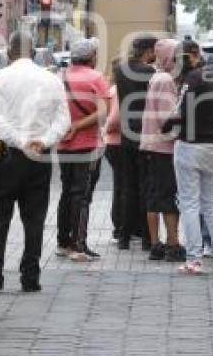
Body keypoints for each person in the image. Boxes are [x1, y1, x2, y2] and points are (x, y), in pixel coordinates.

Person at [0, 31, 71, 292]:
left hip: (8, 155)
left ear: (9, 53)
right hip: (39, 157)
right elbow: (63, 121)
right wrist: (43, 141)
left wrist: (20, 140)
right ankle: (30, 276)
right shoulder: (51, 79)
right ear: (33, 52)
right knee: (35, 218)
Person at [164, 39, 213, 274]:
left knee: (190, 203)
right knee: (210, 202)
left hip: (190, 146)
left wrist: (166, 124)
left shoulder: (191, 79)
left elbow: (181, 111)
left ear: (192, 55)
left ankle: (194, 258)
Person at [56, 38, 109, 262]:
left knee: (67, 191)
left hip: (63, 143)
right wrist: (78, 125)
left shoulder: (60, 77)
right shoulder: (96, 78)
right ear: (91, 57)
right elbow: (103, 113)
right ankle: (79, 244)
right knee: (82, 195)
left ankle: (63, 242)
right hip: (87, 144)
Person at [140, 38, 185, 262]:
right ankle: (173, 244)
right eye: (176, 56)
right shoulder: (166, 79)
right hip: (164, 146)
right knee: (168, 196)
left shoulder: (156, 76)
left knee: (153, 195)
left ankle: (155, 243)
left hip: (150, 144)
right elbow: (169, 119)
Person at [115, 36, 157, 250]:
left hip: (126, 132)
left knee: (127, 187)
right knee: (146, 185)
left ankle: (123, 237)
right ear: (148, 51)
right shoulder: (150, 73)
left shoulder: (120, 69)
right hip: (145, 133)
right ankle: (148, 238)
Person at [103, 58, 123, 241]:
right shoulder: (118, 90)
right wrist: (106, 129)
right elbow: (115, 118)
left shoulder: (111, 89)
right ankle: (120, 226)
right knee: (122, 186)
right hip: (118, 142)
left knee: (120, 185)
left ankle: (119, 225)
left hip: (111, 142)